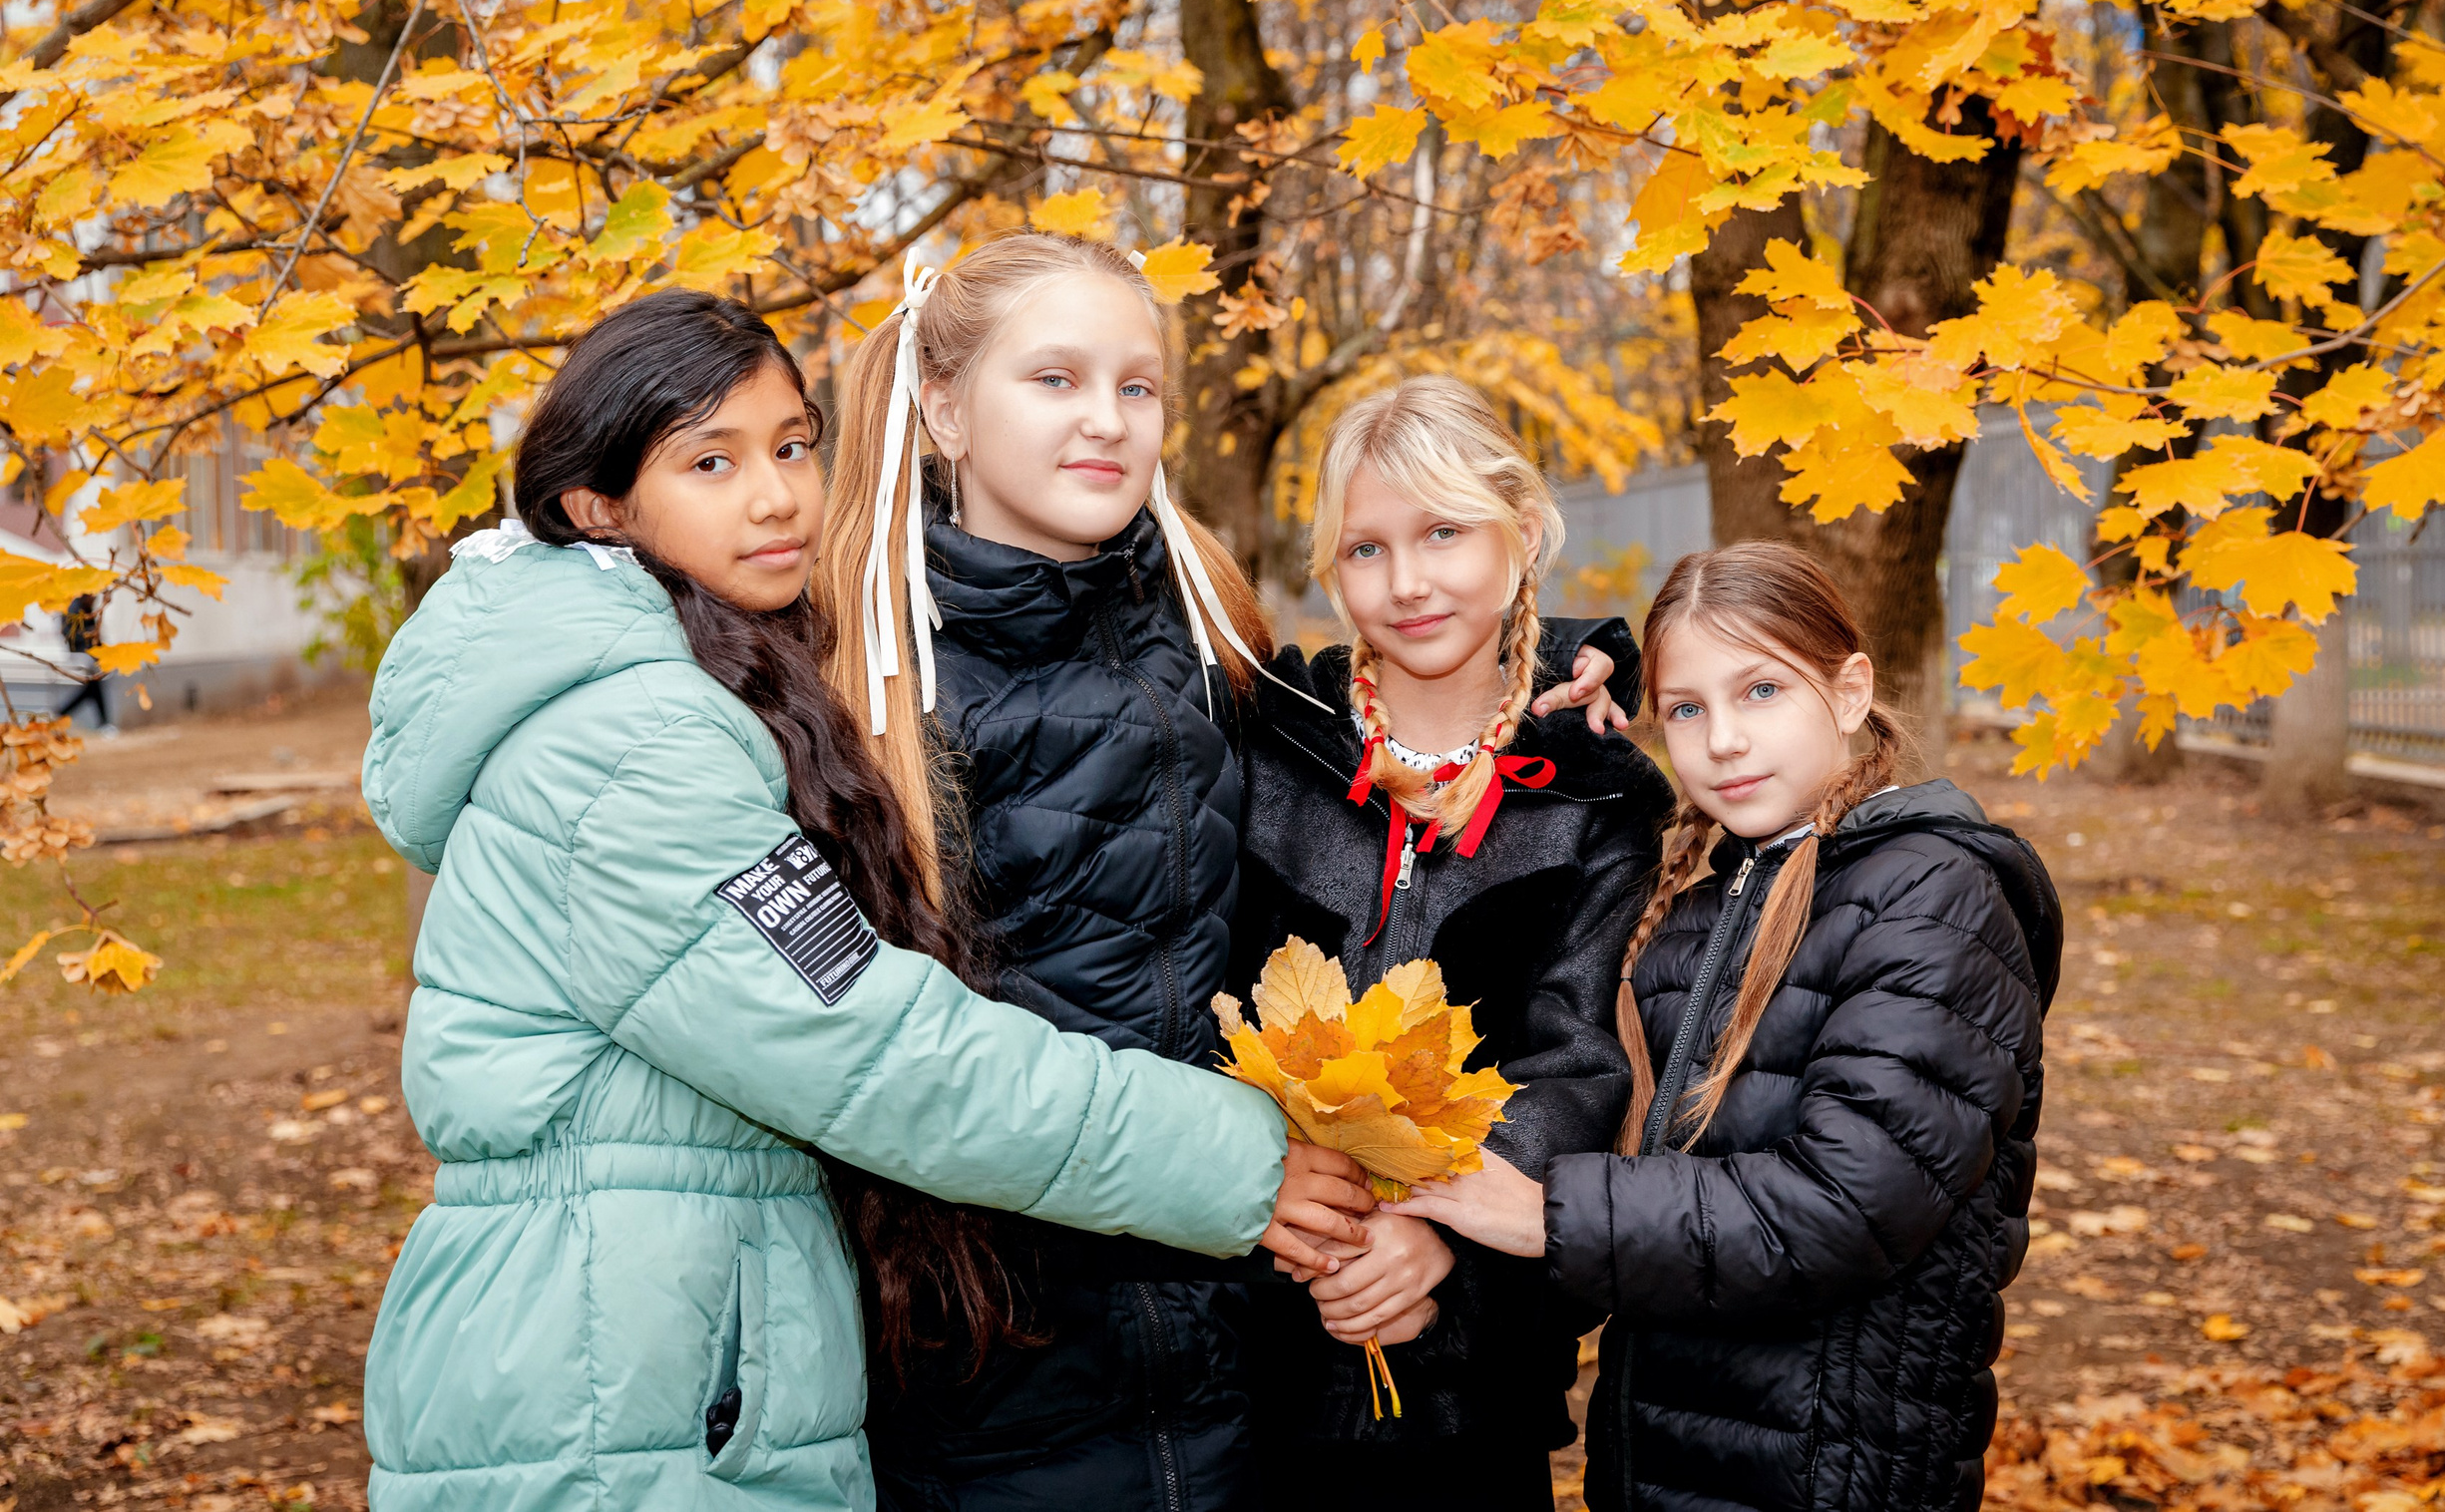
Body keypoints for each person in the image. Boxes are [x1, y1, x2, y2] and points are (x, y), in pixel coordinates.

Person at [358, 289, 1364, 1512]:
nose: (777, 494)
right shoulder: (631, 738)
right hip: (612, 1377)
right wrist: (1229, 1158)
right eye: (710, 462)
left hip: (655, 1339)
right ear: (598, 505)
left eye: (792, 446)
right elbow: (870, 1045)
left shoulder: (708, 683)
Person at [813, 235, 1618, 1512]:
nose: (1106, 421)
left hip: (1240, 1371)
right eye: (1056, 380)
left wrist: (1580, 691)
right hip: (987, 1373)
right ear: (945, 407)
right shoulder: (857, 687)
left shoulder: (1206, 657)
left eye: (1139, 387)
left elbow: (1434, 684)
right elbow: (865, 1058)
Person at [1390, 541, 2064, 1512]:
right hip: (1663, 1465)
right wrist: (1433, 1249)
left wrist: (1540, 1213)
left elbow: (1842, 1206)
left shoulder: (1933, 897)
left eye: (1760, 692)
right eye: (1686, 711)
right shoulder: (1691, 922)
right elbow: (1641, 1201)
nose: (1724, 742)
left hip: (1829, 1478)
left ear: (1847, 691)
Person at [1230, 376, 1677, 1510]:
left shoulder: (1597, 797)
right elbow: (1191, 996)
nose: (1408, 582)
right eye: (1367, 548)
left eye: (1443, 533)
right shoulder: (1266, 751)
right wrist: (1258, 1190)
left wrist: (1449, 1241)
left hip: (1464, 1383)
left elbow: (1581, 1063)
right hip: (1242, 1355)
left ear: (1521, 534)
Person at [59, 593, 112, 731]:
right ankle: (104, 723)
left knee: (92, 689)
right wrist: (88, 633)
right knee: (93, 688)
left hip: (90, 657)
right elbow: (68, 633)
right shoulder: (73, 609)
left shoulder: (88, 609)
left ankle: (60, 713)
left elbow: (95, 637)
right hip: (80, 656)